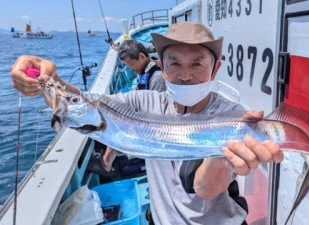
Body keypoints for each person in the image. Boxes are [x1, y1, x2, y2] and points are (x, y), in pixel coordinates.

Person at [11, 22, 283, 225]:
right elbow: (84, 102)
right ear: (161, 67)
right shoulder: (144, 103)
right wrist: (45, 79)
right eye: (174, 63)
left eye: (197, 64)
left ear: (215, 69)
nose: (185, 75)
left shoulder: (232, 116)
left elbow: (205, 189)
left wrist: (225, 157)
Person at [87, 39, 166, 177]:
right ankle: (106, 161)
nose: (130, 69)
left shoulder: (157, 78)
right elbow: (138, 92)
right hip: (145, 120)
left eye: (130, 64)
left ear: (142, 57)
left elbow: (160, 113)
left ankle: (106, 163)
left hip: (156, 129)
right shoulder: (144, 72)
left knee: (119, 126)